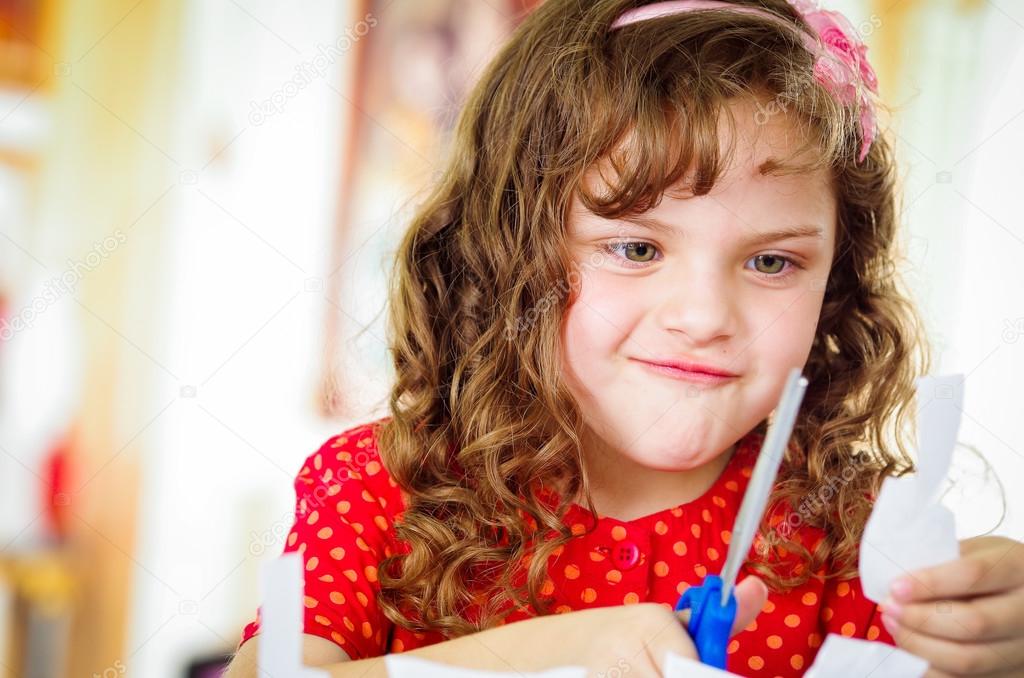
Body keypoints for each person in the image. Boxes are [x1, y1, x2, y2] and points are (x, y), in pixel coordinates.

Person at [225, 1, 1024, 676]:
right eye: (637, 248)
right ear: (510, 252)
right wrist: (563, 653)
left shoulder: (850, 537)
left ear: (836, 282)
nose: (705, 316)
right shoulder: (376, 489)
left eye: (773, 261)